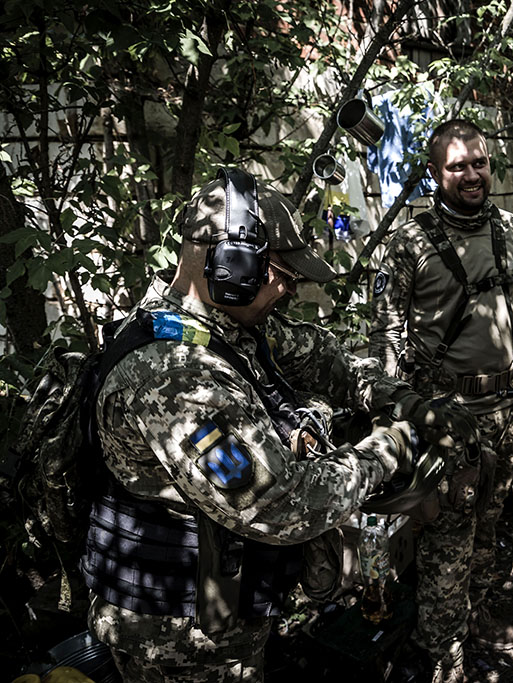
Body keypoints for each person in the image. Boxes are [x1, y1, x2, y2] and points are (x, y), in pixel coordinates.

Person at [83, 168, 478, 683]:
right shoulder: (174, 378)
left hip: (228, 612)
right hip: (181, 640)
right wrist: (389, 449)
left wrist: (403, 400)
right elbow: (283, 504)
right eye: (284, 278)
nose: (288, 293)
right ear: (233, 265)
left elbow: (326, 359)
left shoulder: (230, 331)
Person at [369, 119, 513, 682]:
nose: (473, 174)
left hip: (505, 412)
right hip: (446, 420)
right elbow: (384, 337)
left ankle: (469, 620)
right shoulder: (409, 244)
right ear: (435, 173)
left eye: (479, 163)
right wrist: (399, 412)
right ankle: (442, 656)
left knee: (489, 526)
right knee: (446, 544)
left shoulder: (509, 230)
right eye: (458, 166)